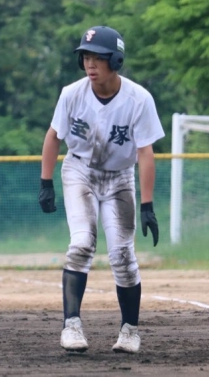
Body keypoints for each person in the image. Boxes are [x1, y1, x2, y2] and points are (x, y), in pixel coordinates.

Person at [38, 25, 165, 354]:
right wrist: (45, 182)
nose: (90, 64)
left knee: (123, 255)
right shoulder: (72, 94)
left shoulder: (138, 99)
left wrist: (148, 205)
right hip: (79, 171)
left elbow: (145, 152)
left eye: (98, 57)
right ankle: (71, 325)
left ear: (116, 60)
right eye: (86, 57)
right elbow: (53, 136)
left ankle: (129, 331)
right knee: (82, 244)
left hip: (120, 178)